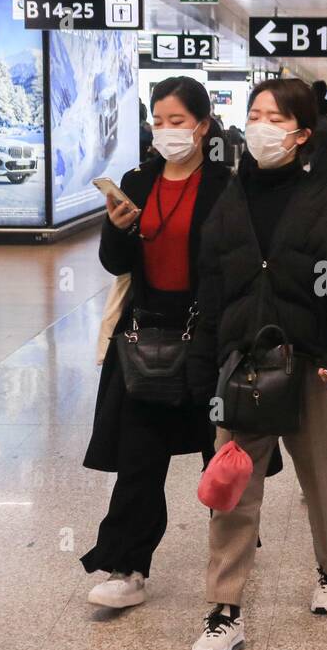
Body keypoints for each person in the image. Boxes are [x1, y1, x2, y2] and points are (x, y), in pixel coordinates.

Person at [186, 78, 327, 650]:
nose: (260, 127)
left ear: (300, 135)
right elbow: (213, 287)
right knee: (231, 488)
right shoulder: (230, 201)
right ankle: (224, 610)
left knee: (322, 477)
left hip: (314, 367)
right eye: (253, 114)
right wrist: (205, 363)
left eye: (274, 118)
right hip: (246, 367)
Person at [81, 77, 231, 608]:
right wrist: (119, 229)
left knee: (222, 456)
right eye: (159, 122)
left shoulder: (225, 185)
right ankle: (127, 565)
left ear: (203, 126)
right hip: (146, 334)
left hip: (208, 335)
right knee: (139, 455)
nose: (167, 132)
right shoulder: (137, 181)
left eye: (178, 121)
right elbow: (115, 264)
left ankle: (230, 563)